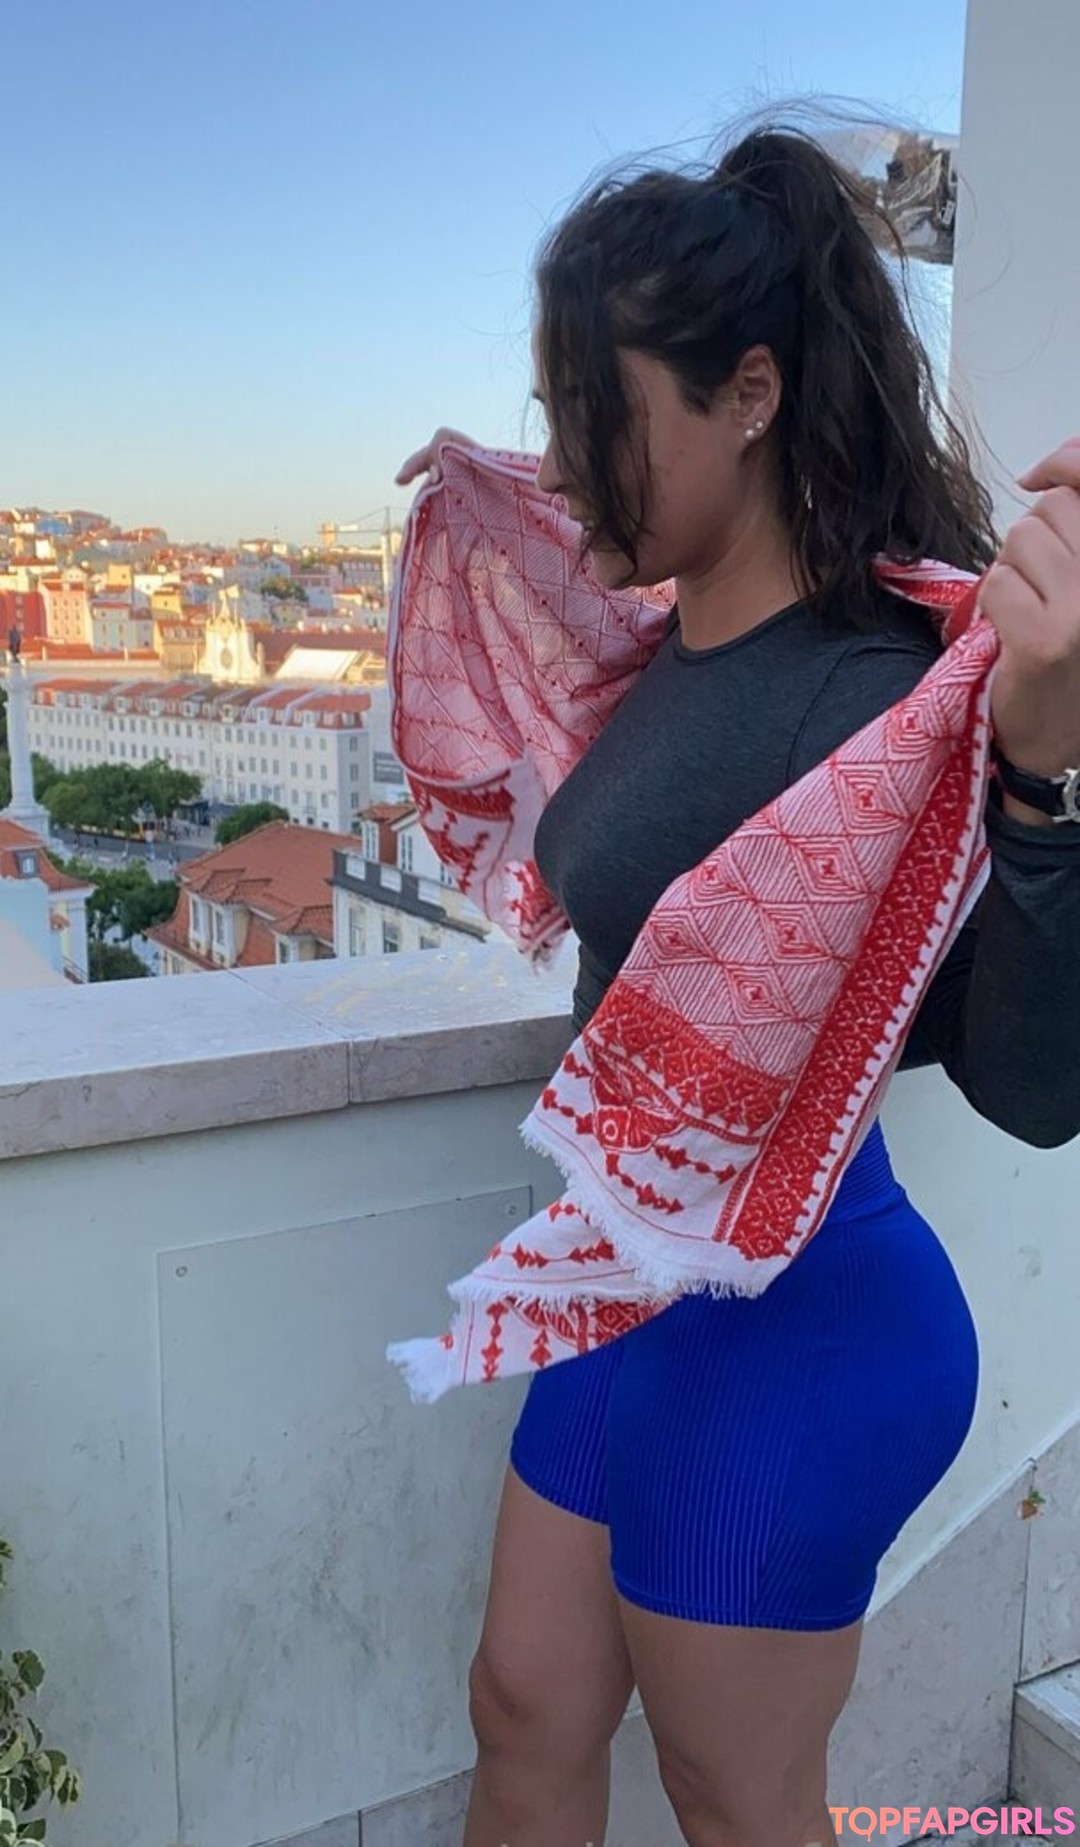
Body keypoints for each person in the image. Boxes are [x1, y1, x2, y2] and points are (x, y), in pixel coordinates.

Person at [395, 125, 1080, 1847]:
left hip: (803, 1323)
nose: (569, 463)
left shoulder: (879, 702)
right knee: (523, 1707)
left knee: (737, 1801)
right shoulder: (660, 639)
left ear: (752, 395)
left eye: (596, 414)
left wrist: (1042, 770)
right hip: (629, 1278)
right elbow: (571, 608)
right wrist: (483, 502)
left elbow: (1034, 1085)